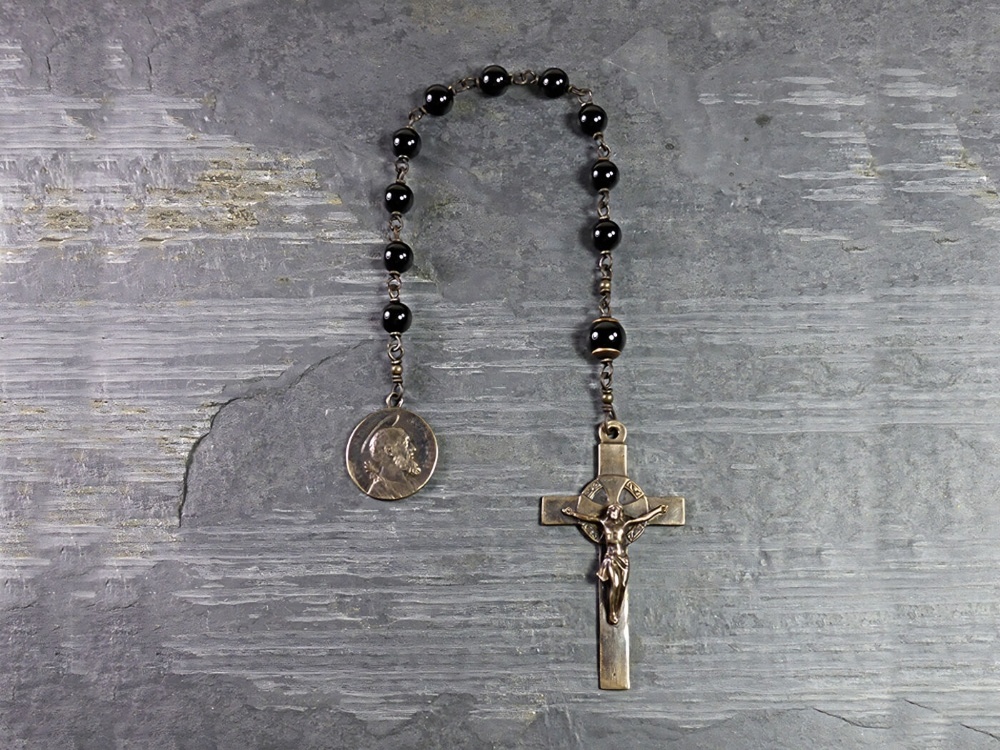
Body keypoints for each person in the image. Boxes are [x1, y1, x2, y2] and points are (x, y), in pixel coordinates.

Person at [562, 501, 668, 625]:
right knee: (615, 584)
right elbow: (588, 518)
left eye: (616, 510)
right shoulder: (603, 523)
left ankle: (617, 610)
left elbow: (642, 518)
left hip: (623, 558)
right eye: (611, 510)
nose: (613, 512)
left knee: (622, 585)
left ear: (620, 513)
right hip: (610, 558)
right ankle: (611, 612)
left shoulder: (625, 523)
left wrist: (658, 510)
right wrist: (573, 513)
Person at [363, 424, 421, 499]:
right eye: (407, 444)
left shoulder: (413, 483)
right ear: (389, 450)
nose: (414, 448)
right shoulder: (379, 490)